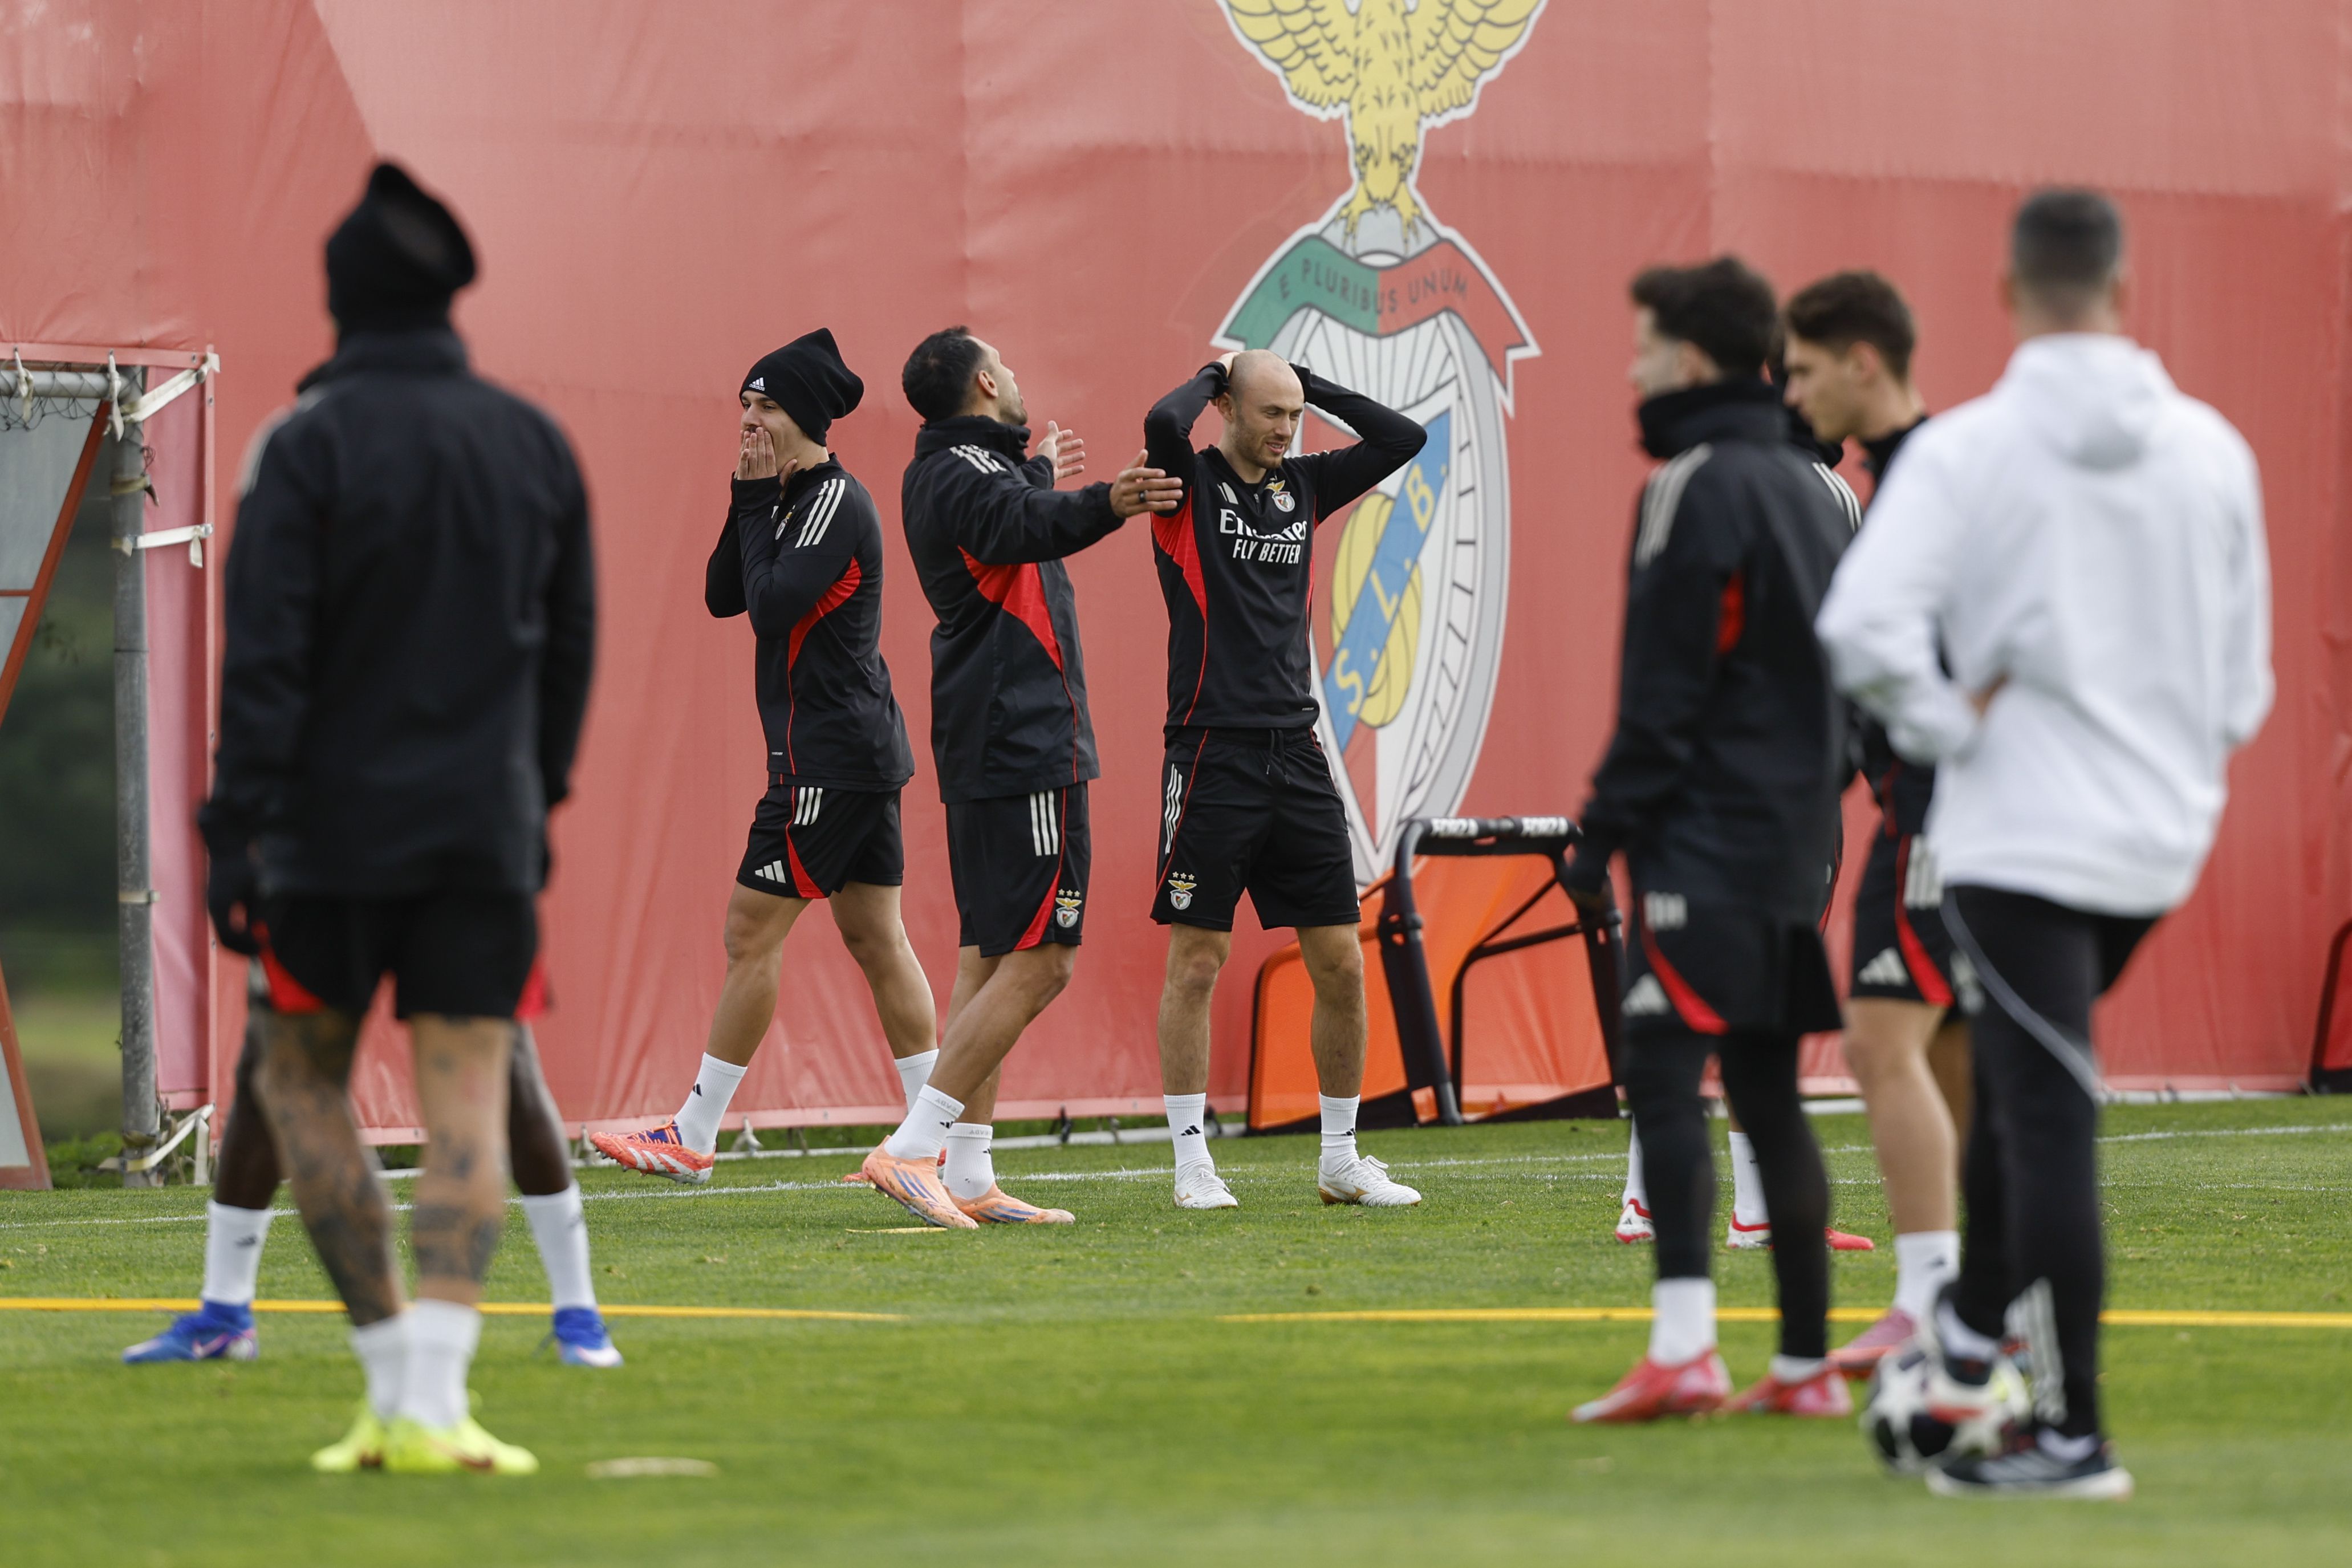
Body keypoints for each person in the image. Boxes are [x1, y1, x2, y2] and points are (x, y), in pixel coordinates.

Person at [1818, 189, 2270, 1498]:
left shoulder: (1970, 450)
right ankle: (1964, 1340)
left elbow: (1859, 629)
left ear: (2009, 295)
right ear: (2123, 291)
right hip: (2156, 837)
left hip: (2019, 835)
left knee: (2043, 1115)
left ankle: (2070, 1438)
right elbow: (2243, 688)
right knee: (2028, 1100)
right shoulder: (2212, 449)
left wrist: (1948, 728)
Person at [198, 161, 596, 1474]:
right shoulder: (532, 442)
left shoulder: (303, 444)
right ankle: (439, 1394)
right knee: (468, 1095)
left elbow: (264, 656)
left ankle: (391, 1389)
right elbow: (571, 649)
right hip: (481, 830)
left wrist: (232, 826)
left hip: (327, 832)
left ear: (338, 299)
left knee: (301, 1082)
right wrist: (531, 796)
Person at [1565, 257, 1855, 1424]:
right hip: (1791, 836)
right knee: (1770, 1093)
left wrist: (1602, 830)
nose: (1632, 367)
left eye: (1642, 347)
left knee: (1663, 1075)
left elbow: (1662, 689)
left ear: (1688, 357)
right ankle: (1801, 1364)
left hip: (1703, 842)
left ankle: (1685, 1345)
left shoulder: (1690, 485)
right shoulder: (1814, 490)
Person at [591, 332, 936, 1195]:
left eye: (766, 407)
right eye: (744, 406)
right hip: (847, 752)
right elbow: (722, 592)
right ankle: (936, 1138)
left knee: (751, 928)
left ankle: (695, 1130)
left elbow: (773, 606)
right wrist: (744, 493)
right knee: (876, 937)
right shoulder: (779, 499)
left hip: (829, 757)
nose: (749, 420)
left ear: (807, 419)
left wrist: (754, 501)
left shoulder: (832, 499)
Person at [854, 331, 1183, 1224]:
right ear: (988, 380)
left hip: (991, 737)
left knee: (990, 955)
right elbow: (1017, 525)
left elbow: (1009, 513)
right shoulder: (965, 475)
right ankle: (914, 1147)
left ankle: (965, 1172)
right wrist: (1105, 500)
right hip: (1024, 739)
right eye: (1010, 365)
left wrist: (1038, 475)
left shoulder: (954, 468)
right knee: (1047, 961)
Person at [1141, 350, 1425, 1211]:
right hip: (1209, 753)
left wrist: (1304, 378)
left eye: (1294, 416)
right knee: (1198, 959)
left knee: (1339, 959)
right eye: (1269, 414)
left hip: (1296, 753)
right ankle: (1193, 1161)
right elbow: (1161, 421)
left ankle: (1340, 1156)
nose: (1284, 431)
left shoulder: (1302, 485)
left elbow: (1401, 435)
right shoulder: (1184, 483)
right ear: (1226, 406)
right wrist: (1212, 370)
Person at [1780, 269, 1970, 1375]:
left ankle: (1941, 1297)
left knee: (1893, 1040)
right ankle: (1952, 1299)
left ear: (1860, 361)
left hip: (1948, 811)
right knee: (1921, 1046)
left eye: (1802, 370)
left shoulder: (1939, 476)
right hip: (1902, 804)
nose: (1790, 392)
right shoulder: (1879, 480)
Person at [124, 969, 620, 1369]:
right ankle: (225, 1315)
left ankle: (575, 1315)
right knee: (278, 1065)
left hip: (450, 861)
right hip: (335, 866)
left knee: (503, 1063)